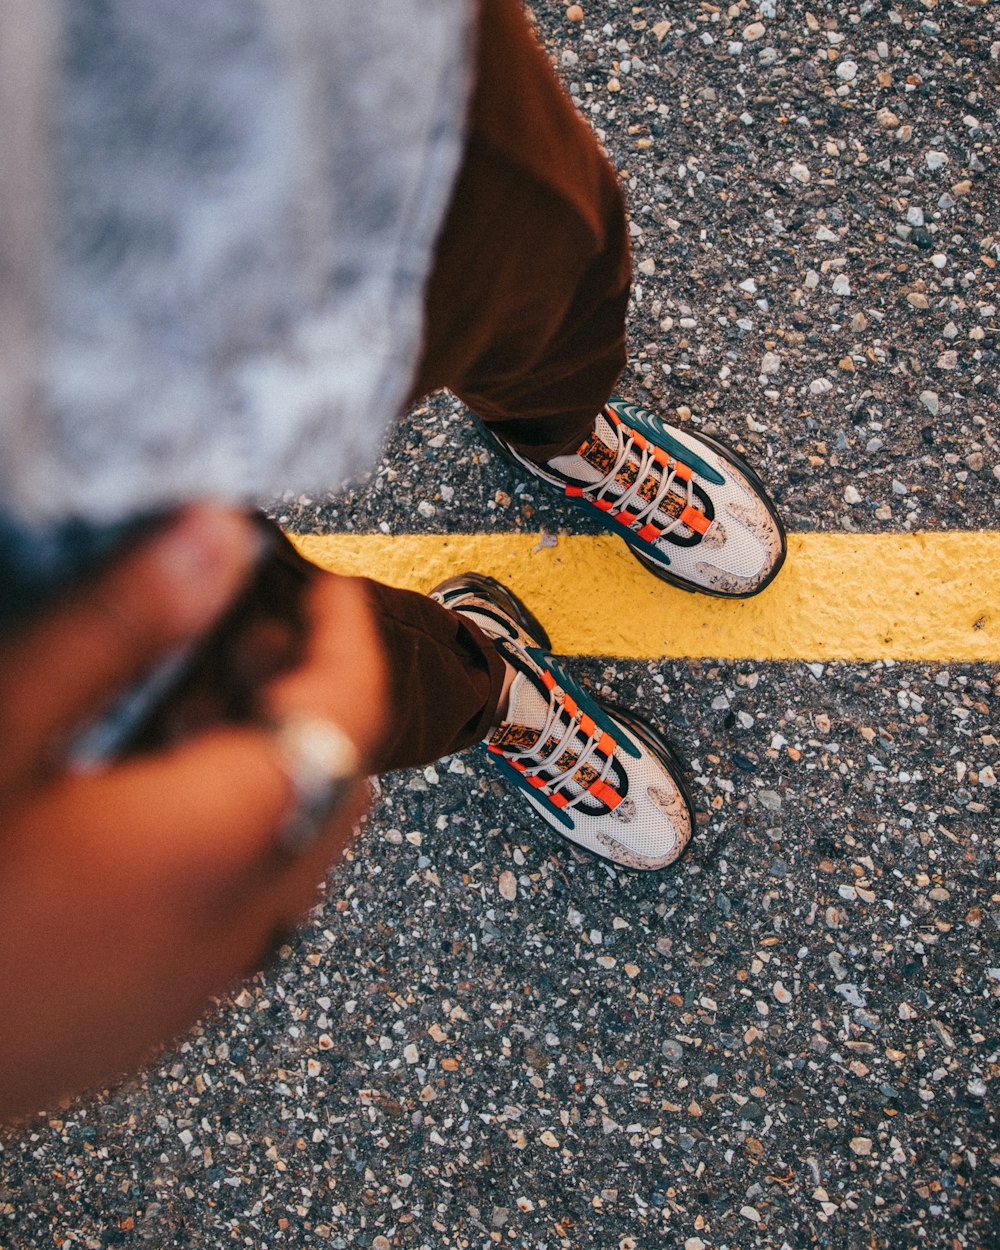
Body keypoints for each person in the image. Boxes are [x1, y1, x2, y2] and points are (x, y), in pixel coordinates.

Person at [0, 0, 784, 1121]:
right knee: (256, 692)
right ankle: (493, 687)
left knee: (533, 271)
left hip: (286, 69)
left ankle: (561, 436)